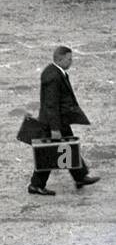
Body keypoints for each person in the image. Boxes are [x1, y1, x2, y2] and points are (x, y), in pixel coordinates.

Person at [28, 45, 100, 195]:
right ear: (60, 59)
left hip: (59, 121)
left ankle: (80, 177)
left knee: (68, 147)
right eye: (69, 59)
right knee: (48, 154)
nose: (71, 61)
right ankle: (36, 185)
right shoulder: (53, 76)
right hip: (53, 122)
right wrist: (55, 128)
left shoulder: (55, 72)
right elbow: (51, 104)